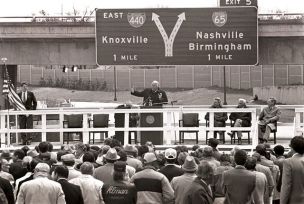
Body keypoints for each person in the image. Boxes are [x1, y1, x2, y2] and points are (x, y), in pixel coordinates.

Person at [280, 136, 304, 204]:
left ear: (292, 148)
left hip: (295, 200)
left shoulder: (288, 162)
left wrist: (282, 202)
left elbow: (286, 185)